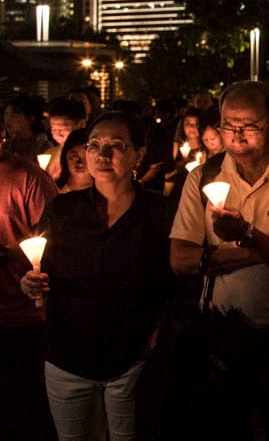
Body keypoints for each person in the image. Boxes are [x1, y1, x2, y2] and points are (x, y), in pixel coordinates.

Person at [169, 81, 269, 441]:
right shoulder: (204, 177)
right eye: (229, 125)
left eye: (250, 125)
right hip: (220, 331)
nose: (237, 134)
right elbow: (180, 259)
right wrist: (261, 246)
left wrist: (243, 234)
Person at [20, 111, 173, 441]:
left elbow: (174, 282)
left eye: (115, 145)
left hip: (133, 358)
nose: (102, 155)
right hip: (68, 355)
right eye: (94, 145)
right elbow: (37, 266)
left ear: (139, 154)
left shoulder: (160, 211)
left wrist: (154, 338)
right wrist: (29, 282)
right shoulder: (62, 210)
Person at [0, 145, 59, 441]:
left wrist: (9, 253)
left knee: (26, 411)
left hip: (23, 316)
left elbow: (54, 240)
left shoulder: (29, 179)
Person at [42, 98, 88, 181]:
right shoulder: (49, 154)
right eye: (54, 129)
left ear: (81, 124)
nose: (58, 134)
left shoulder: (89, 154)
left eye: (63, 129)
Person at [55, 129, 93, 194]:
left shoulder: (104, 190)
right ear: (65, 156)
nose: (80, 163)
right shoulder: (54, 190)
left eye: (86, 157)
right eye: (74, 156)